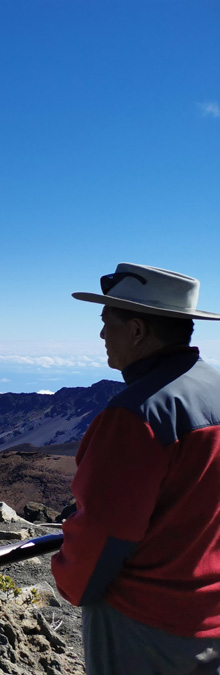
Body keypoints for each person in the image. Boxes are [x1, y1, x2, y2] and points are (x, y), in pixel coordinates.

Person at [51, 262, 220, 675]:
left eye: (107, 320)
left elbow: (104, 532)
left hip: (146, 624)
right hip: (209, 613)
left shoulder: (137, 414)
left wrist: (70, 581)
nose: (102, 333)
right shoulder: (214, 388)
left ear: (138, 330)